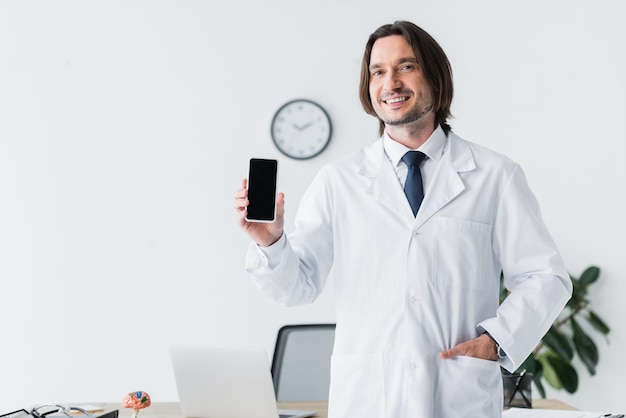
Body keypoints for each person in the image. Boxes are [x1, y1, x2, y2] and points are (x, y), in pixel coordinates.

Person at [234, 20, 572, 418]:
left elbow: (546, 277)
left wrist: (495, 341)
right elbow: (298, 288)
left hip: (456, 396)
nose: (390, 82)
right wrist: (270, 241)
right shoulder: (339, 181)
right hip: (367, 398)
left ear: (436, 76)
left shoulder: (495, 176)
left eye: (406, 66)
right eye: (378, 71)